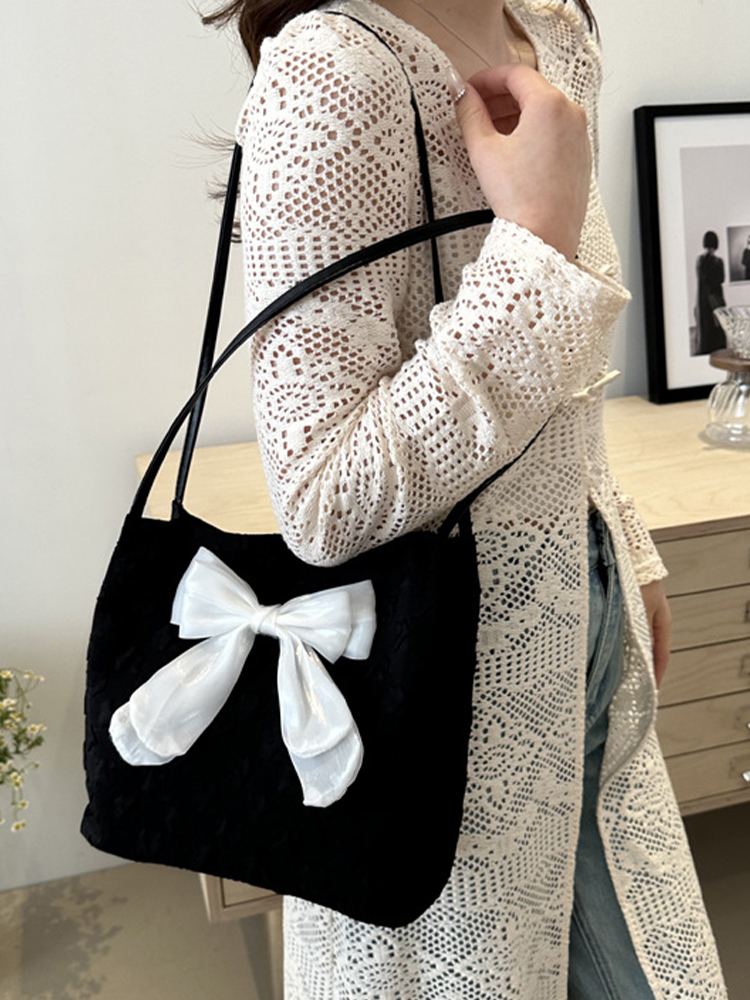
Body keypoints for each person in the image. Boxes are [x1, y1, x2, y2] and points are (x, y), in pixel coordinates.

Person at [203, 1, 727, 997]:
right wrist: (534, 244)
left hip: (580, 629)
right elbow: (322, 500)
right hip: (441, 709)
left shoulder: (551, 30)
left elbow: (563, 379)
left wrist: (625, 544)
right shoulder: (332, 69)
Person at [695, 230, 726, 355]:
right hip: (715, 297)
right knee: (718, 324)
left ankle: (707, 348)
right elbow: (721, 279)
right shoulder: (718, 262)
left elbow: (703, 279)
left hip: (705, 298)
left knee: (707, 324)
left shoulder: (700, 261)